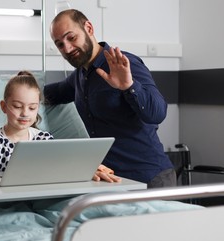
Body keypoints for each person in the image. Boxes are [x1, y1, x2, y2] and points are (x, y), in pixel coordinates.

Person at [44, 9, 176, 188]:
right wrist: (18, 87)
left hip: (149, 177)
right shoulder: (80, 76)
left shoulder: (123, 63)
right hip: (112, 181)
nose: (67, 48)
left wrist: (129, 86)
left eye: (71, 38)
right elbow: (55, 92)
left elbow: (157, 113)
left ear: (88, 28)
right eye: (59, 44)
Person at [0, 71, 119, 182]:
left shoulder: (44, 140)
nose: (24, 113)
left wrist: (88, 168)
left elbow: (61, 166)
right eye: (17, 106)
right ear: (4, 106)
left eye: (32, 108)